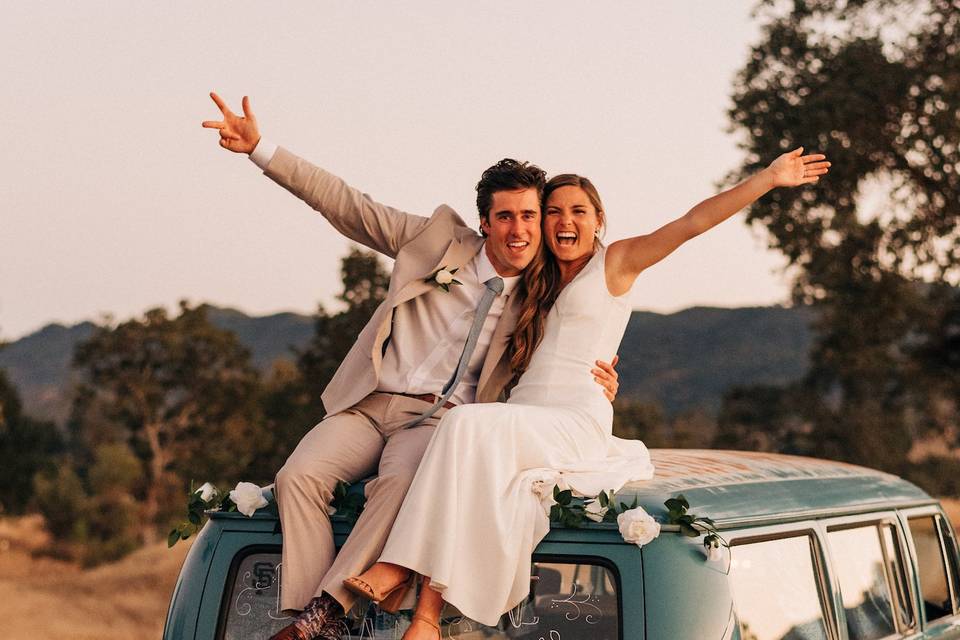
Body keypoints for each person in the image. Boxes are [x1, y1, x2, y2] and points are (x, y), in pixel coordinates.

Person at [350, 147, 832, 638]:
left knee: (462, 423)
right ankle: (427, 617)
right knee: (462, 445)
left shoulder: (615, 263)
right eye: (554, 211)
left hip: (574, 419)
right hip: (521, 417)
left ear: (599, 220)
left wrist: (768, 179)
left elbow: (691, 223)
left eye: (578, 210)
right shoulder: (533, 279)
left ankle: (401, 569)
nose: (565, 220)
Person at [201, 93, 621, 640]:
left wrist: (604, 382)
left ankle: (324, 614)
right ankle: (317, 621)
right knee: (297, 477)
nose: (519, 230)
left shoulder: (546, 292)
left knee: (398, 486)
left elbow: (583, 337)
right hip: (371, 404)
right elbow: (348, 206)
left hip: (440, 423)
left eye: (528, 216)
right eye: (505, 217)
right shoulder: (435, 241)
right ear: (485, 222)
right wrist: (261, 149)